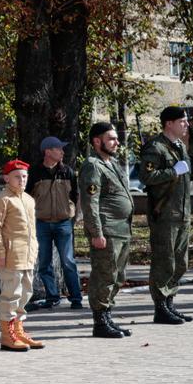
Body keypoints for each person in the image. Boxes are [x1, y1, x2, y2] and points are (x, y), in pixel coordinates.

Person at [139, 106, 193, 324]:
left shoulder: (180, 146)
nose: (186, 124)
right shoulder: (156, 147)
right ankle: (160, 307)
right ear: (169, 123)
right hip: (164, 214)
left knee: (181, 262)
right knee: (165, 261)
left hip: (182, 213)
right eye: (182, 121)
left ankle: (170, 302)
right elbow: (146, 176)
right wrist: (173, 171)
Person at [79, 122, 133, 338]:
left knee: (118, 276)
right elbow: (90, 202)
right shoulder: (93, 165)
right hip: (107, 230)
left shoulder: (111, 163)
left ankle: (108, 315)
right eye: (111, 138)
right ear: (97, 141)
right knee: (104, 276)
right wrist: (96, 233)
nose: (117, 142)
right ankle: (100, 321)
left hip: (121, 230)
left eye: (116, 138)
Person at [0, 159, 45, 352]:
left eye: (24, 176)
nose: (22, 180)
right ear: (6, 178)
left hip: (27, 254)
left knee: (26, 293)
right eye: (17, 177)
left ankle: (18, 329)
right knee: (10, 295)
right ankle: (7, 334)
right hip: (11, 254)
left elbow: (32, 229)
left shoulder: (29, 199)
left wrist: (35, 249)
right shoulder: (2, 199)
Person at [27, 136, 83, 310]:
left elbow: (76, 196)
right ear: (48, 151)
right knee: (44, 262)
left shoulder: (68, 172)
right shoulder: (35, 172)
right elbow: (27, 197)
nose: (62, 152)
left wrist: (74, 216)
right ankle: (52, 296)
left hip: (63, 223)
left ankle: (76, 298)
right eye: (58, 149)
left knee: (68, 261)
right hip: (41, 222)